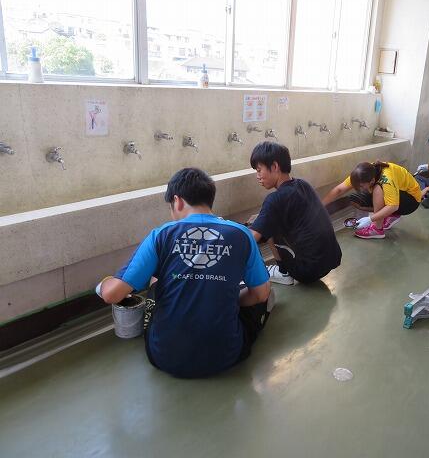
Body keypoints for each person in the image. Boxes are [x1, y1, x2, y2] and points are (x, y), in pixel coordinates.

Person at [96, 168, 273, 379]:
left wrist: (104, 284)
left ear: (177, 201)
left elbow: (112, 294)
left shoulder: (161, 235)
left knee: (156, 278)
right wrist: (230, 299)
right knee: (265, 295)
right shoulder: (241, 234)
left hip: (164, 356)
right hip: (226, 355)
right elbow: (260, 294)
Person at [249, 141, 341, 285]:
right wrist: (260, 217)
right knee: (267, 219)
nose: (257, 176)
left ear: (274, 166)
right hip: (331, 259)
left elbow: (251, 238)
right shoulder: (303, 184)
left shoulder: (275, 199)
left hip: (307, 271)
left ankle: (283, 272)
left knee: (268, 225)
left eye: (259, 170)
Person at [322, 161, 422, 239]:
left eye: (361, 186)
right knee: (355, 199)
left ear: (372, 181)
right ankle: (390, 216)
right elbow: (339, 189)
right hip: (398, 196)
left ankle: (377, 229)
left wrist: (370, 219)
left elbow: (393, 206)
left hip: (411, 201)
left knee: (378, 188)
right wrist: (320, 205)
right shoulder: (363, 173)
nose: (360, 189)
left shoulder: (386, 178)